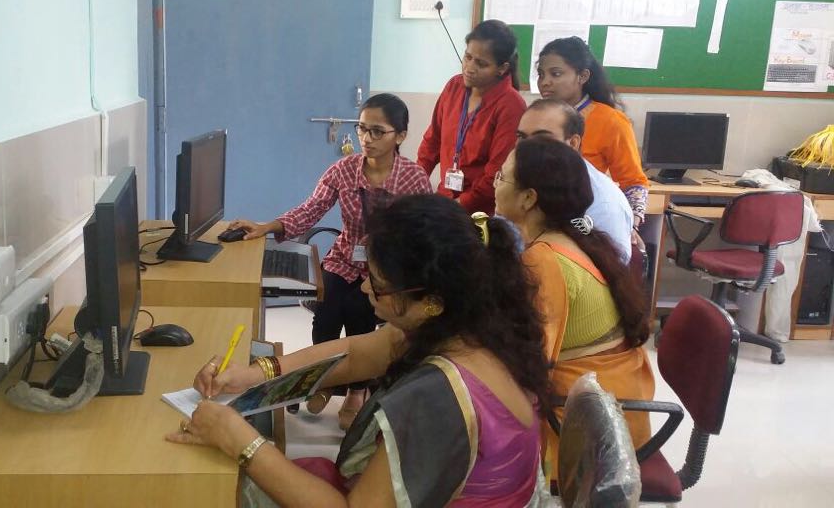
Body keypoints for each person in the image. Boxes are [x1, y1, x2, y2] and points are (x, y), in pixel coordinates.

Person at [168, 194, 551, 507]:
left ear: (431, 301)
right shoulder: (474, 329)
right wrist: (257, 372)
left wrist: (241, 441)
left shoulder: (441, 396)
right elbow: (353, 354)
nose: (366, 289)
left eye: (379, 285)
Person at [227, 93, 431, 429]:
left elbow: (423, 232)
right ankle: (324, 380)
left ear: (401, 136)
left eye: (378, 131)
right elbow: (311, 209)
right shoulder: (344, 169)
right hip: (344, 258)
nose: (367, 139)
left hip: (385, 269)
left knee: (361, 316)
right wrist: (268, 226)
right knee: (325, 316)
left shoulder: (413, 178)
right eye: (362, 129)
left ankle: (356, 391)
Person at [493, 136, 655, 482]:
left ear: (528, 198)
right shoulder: (574, 238)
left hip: (590, 426)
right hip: (612, 403)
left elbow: (534, 363)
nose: (495, 184)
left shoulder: (544, 258)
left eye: (502, 177)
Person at [536, 36, 650, 226]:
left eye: (555, 74)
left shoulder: (611, 121)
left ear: (583, 76)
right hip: (538, 216)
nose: (545, 82)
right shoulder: (537, 116)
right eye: (541, 75)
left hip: (588, 221)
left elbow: (634, 183)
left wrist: (631, 225)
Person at [417, 19, 526, 215]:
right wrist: (415, 182)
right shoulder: (454, 86)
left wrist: (459, 205)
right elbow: (432, 141)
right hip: (446, 201)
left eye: (481, 64)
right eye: (467, 57)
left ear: (502, 68)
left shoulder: (511, 105)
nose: (470, 67)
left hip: (482, 212)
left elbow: (497, 173)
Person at [515, 99, 634, 263]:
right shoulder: (521, 181)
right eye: (521, 137)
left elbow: (608, 275)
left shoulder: (604, 204)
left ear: (573, 143)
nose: (526, 148)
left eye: (541, 139)